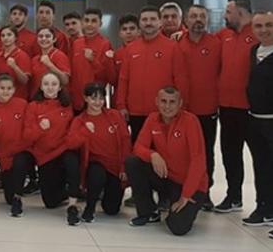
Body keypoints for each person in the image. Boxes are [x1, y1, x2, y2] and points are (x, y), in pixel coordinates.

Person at [124, 87, 207, 235]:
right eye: (163, 101)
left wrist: (186, 195)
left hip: (190, 186)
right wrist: (153, 155)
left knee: (178, 228)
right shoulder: (152, 119)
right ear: (156, 101)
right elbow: (138, 147)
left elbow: (198, 161)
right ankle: (148, 212)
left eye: (172, 102)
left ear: (180, 103)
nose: (167, 106)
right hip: (167, 177)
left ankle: (180, 209)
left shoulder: (190, 121)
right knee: (133, 162)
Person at [116, 5, 189, 142]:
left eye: (153, 19)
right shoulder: (131, 49)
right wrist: (121, 105)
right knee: (138, 149)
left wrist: (180, 106)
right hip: (135, 112)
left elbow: (180, 79)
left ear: (160, 22)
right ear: (140, 23)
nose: (148, 23)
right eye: (144, 20)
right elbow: (123, 79)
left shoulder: (172, 47)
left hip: (163, 112)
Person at [215, 0, 257, 213]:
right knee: (230, 154)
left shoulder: (258, 35)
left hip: (251, 109)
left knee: (260, 157)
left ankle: (265, 203)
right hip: (227, 107)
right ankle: (233, 197)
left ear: (240, 13)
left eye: (228, 12)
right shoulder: (224, 36)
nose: (225, 16)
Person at [177, 4, 221, 210]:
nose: (198, 20)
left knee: (205, 153)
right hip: (181, 110)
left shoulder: (216, 44)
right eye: (194, 16)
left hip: (207, 109)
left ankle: (205, 192)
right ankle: (179, 190)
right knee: (180, 152)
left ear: (207, 20)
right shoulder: (177, 43)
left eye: (202, 16)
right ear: (186, 20)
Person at [67, 83, 131, 222]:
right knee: (96, 173)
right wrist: (85, 131)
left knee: (112, 209)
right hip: (96, 165)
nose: (97, 102)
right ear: (86, 98)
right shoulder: (80, 120)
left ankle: (105, 194)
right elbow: (71, 143)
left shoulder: (114, 116)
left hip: (114, 166)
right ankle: (90, 208)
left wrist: (123, 167)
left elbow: (126, 141)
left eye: (101, 98)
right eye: (93, 98)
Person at [24, 73, 80, 224]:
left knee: (72, 161)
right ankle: (68, 190)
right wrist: (40, 128)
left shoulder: (66, 105)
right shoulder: (33, 106)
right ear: (41, 87)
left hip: (63, 150)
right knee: (50, 202)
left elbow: (71, 131)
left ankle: (73, 204)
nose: (50, 87)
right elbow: (27, 136)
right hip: (45, 155)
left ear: (60, 87)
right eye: (46, 84)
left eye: (54, 84)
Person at [244, 11, 273, 229]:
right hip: (255, 120)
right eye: (259, 26)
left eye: (269, 25)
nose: (264, 30)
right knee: (261, 166)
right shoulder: (254, 51)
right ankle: (264, 208)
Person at [0, 75, 29, 217]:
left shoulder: (22, 105)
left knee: (20, 163)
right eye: (2, 88)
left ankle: (18, 199)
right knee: (8, 198)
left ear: (14, 90)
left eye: (9, 88)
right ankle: (11, 193)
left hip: (22, 152)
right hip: (5, 156)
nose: (6, 91)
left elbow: (29, 129)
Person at [69, 8, 112, 111]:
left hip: (95, 101)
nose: (89, 24)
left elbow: (108, 76)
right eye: (87, 20)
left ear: (100, 24)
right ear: (82, 23)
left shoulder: (105, 44)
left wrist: (93, 61)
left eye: (93, 21)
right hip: (76, 100)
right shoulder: (76, 43)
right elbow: (71, 72)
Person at [29, 27, 70, 98]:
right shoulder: (34, 59)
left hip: (54, 98)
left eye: (47, 36)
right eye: (40, 36)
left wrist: (50, 65)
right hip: (37, 98)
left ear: (54, 39)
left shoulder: (59, 56)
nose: (44, 39)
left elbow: (65, 80)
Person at [0, 25, 31, 100]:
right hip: (0, 99)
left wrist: (15, 67)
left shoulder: (22, 56)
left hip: (17, 98)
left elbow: (25, 81)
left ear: (15, 37)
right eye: (3, 35)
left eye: (9, 35)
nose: (6, 38)